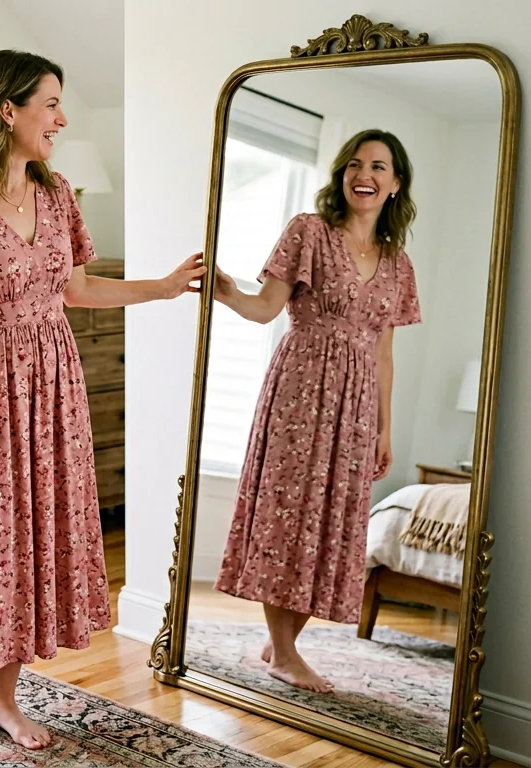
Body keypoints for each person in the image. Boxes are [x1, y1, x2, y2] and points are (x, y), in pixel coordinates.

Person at [0, 49, 204, 749]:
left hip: (53, 385)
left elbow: (77, 289)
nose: (62, 119)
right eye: (53, 104)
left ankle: (4, 698)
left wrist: (160, 288)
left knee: (29, 534)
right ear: (8, 110)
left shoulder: (58, 193)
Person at [210, 129, 422, 694]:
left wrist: (384, 428)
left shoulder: (399, 265)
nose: (364, 175)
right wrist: (228, 292)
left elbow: (384, 353)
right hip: (300, 390)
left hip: (356, 404)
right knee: (288, 513)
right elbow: (266, 308)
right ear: (341, 174)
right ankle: (284, 653)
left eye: (378, 167)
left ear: (395, 184)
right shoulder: (308, 231)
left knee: (332, 522)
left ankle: (281, 643)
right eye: (355, 164)